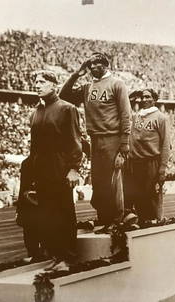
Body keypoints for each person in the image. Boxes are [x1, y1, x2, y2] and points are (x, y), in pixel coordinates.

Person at [59, 52, 131, 233]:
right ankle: (104, 218)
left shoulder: (117, 84)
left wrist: (124, 143)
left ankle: (117, 220)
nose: (93, 67)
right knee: (98, 182)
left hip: (112, 137)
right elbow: (64, 95)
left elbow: (125, 114)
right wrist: (77, 74)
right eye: (90, 65)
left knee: (112, 181)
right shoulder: (87, 86)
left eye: (97, 64)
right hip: (95, 139)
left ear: (106, 65)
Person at [30, 70, 83, 270]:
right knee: (47, 215)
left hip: (60, 171)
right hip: (41, 172)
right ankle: (56, 255)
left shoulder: (67, 109)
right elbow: (33, 148)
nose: (37, 85)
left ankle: (68, 258)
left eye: (42, 81)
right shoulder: (36, 112)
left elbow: (75, 141)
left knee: (64, 213)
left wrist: (74, 169)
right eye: (35, 81)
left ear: (53, 85)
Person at [126, 89, 171, 223]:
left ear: (154, 99)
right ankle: (142, 225)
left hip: (151, 162)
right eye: (142, 97)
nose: (144, 99)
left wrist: (162, 169)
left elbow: (165, 144)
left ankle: (152, 225)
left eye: (148, 97)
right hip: (135, 162)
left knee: (150, 197)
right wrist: (131, 97)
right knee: (137, 198)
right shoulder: (137, 115)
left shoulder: (161, 118)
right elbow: (124, 108)